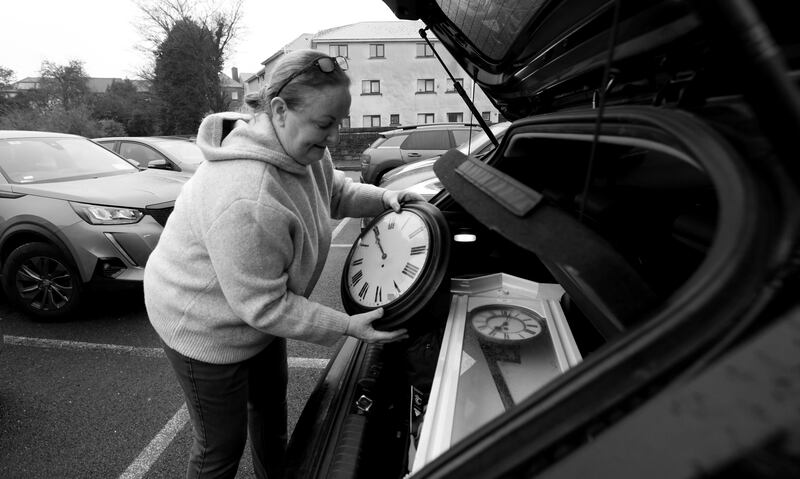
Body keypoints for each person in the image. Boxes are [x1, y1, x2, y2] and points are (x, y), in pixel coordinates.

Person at [144, 49, 424, 479]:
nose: (334, 137)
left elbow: (336, 192)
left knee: (271, 414)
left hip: (256, 310)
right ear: (278, 111)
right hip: (201, 323)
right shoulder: (246, 195)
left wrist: (385, 198)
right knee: (220, 446)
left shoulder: (304, 151)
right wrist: (347, 326)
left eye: (339, 122)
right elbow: (264, 306)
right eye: (325, 124)